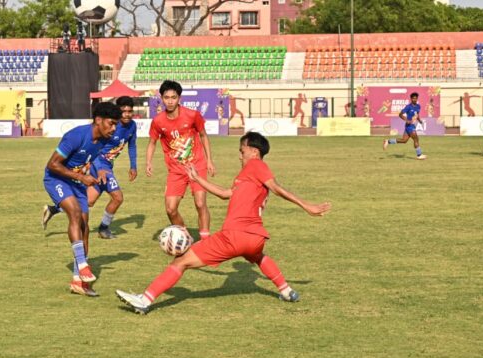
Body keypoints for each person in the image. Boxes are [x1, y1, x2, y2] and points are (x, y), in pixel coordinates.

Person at [116, 132, 332, 314]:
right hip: (255, 238)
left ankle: (145, 299)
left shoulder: (256, 165)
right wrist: (198, 179)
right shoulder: (248, 173)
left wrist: (307, 206)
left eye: (242, 150)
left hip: (235, 235)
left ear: (253, 151)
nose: (239, 155)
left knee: (180, 262)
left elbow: (276, 188)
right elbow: (226, 194)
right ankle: (286, 291)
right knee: (258, 256)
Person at [42, 102, 122, 297]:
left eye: (116, 124)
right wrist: (81, 177)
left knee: (85, 228)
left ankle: (78, 281)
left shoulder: (103, 140)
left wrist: (100, 169)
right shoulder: (76, 135)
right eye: (111, 123)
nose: (114, 128)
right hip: (56, 179)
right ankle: (83, 264)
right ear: (98, 120)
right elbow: (52, 164)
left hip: (76, 183)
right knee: (75, 214)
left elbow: (96, 158)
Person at [42, 96, 138, 239]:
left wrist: (133, 166)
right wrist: (99, 168)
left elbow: (132, 145)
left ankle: (54, 209)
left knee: (88, 202)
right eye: (123, 111)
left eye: (130, 111)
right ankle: (103, 229)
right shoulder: (110, 126)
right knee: (117, 197)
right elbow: (94, 148)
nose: (127, 115)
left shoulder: (132, 126)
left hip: (106, 166)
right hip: (99, 165)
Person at [146, 80, 215, 240]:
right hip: (176, 170)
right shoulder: (158, 121)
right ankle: (185, 238)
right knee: (170, 209)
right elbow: (152, 142)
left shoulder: (192, 115)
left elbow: (203, 136)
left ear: (179, 98)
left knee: (200, 203)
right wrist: (148, 162)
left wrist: (209, 160)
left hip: (197, 166)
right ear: (161, 99)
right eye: (166, 97)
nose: (170, 101)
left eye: (173, 97)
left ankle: (205, 240)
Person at [382, 92, 427, 160]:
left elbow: (417, 114)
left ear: (417, 98)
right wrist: (406, 120)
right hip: (409, 126)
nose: (415, 99)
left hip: (411, 125)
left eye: (416, 98)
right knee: (416, 139)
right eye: (413, 98)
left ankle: (388, 141)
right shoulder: (408, 107)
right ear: (411, 99)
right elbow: (400, 114)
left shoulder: (418, 106)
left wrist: (419, 120)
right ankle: (419, 155)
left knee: (404, 140)